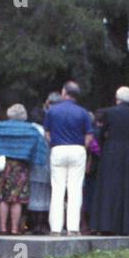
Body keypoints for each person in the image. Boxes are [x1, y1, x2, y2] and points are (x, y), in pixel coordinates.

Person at [0, 104, 47, 236]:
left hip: (3, 166)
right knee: (16, 199)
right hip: (21, 167)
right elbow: (41, 149)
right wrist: (36, 160)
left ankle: (2, 227)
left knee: (3, 197)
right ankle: (14, 228)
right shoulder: (30, 130)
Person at [42, 80, 93, 235]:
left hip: (58, 149)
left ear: (64, 92)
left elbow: (47, 133)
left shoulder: (52, 111)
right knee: (75, 189)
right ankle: (73, 228)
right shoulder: (83, 112)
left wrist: (54, 144)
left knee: (57, 189)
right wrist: (82, 148)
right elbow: (89, 136)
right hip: (77, 149)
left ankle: (56, 228)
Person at [91, 86, 129, 235]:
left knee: (109, 186)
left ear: (117, 97)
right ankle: (127, 225)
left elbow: (102, 132)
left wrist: (101, 143)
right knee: (127, 186)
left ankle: (107, 224)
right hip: (128, 151)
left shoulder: (109, 112)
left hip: (111, 150)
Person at [27, 101, 53, 232]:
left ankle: (33, 225)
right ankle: (42, 225)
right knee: (45, 197)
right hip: (46, 167)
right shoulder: (46, 132)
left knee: (33, 196)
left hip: (32, 168)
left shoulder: (29, 130)